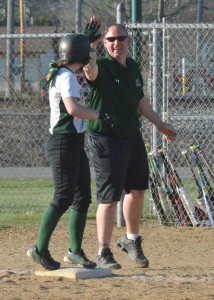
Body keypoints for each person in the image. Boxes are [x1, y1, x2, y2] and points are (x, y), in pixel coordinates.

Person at [83, 17, 177, 270]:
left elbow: (140, 101)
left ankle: (131, 239)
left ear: (128, 41)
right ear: (104, 43)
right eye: (111, 39)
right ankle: (103, 250)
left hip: (131, 135)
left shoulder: (132, 66)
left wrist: (160, 124)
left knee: (137, 190)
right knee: (109, 197)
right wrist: (89, 45)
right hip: (105, 137)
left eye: (121, 38)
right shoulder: (101, 65)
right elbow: (89, 71)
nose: (117, 43)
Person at [27, 33, 115, 270]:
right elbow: (73, 108)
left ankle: (74, 251)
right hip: (63, 143)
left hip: (73, 142)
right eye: (87, 50)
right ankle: (39, 249)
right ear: (79, 54)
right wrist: (100, 114)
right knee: (63, 197)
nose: (91, 54)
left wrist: (90, 42)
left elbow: (83, 62)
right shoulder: (66, 76)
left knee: (82, 197)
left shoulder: (64, 72)